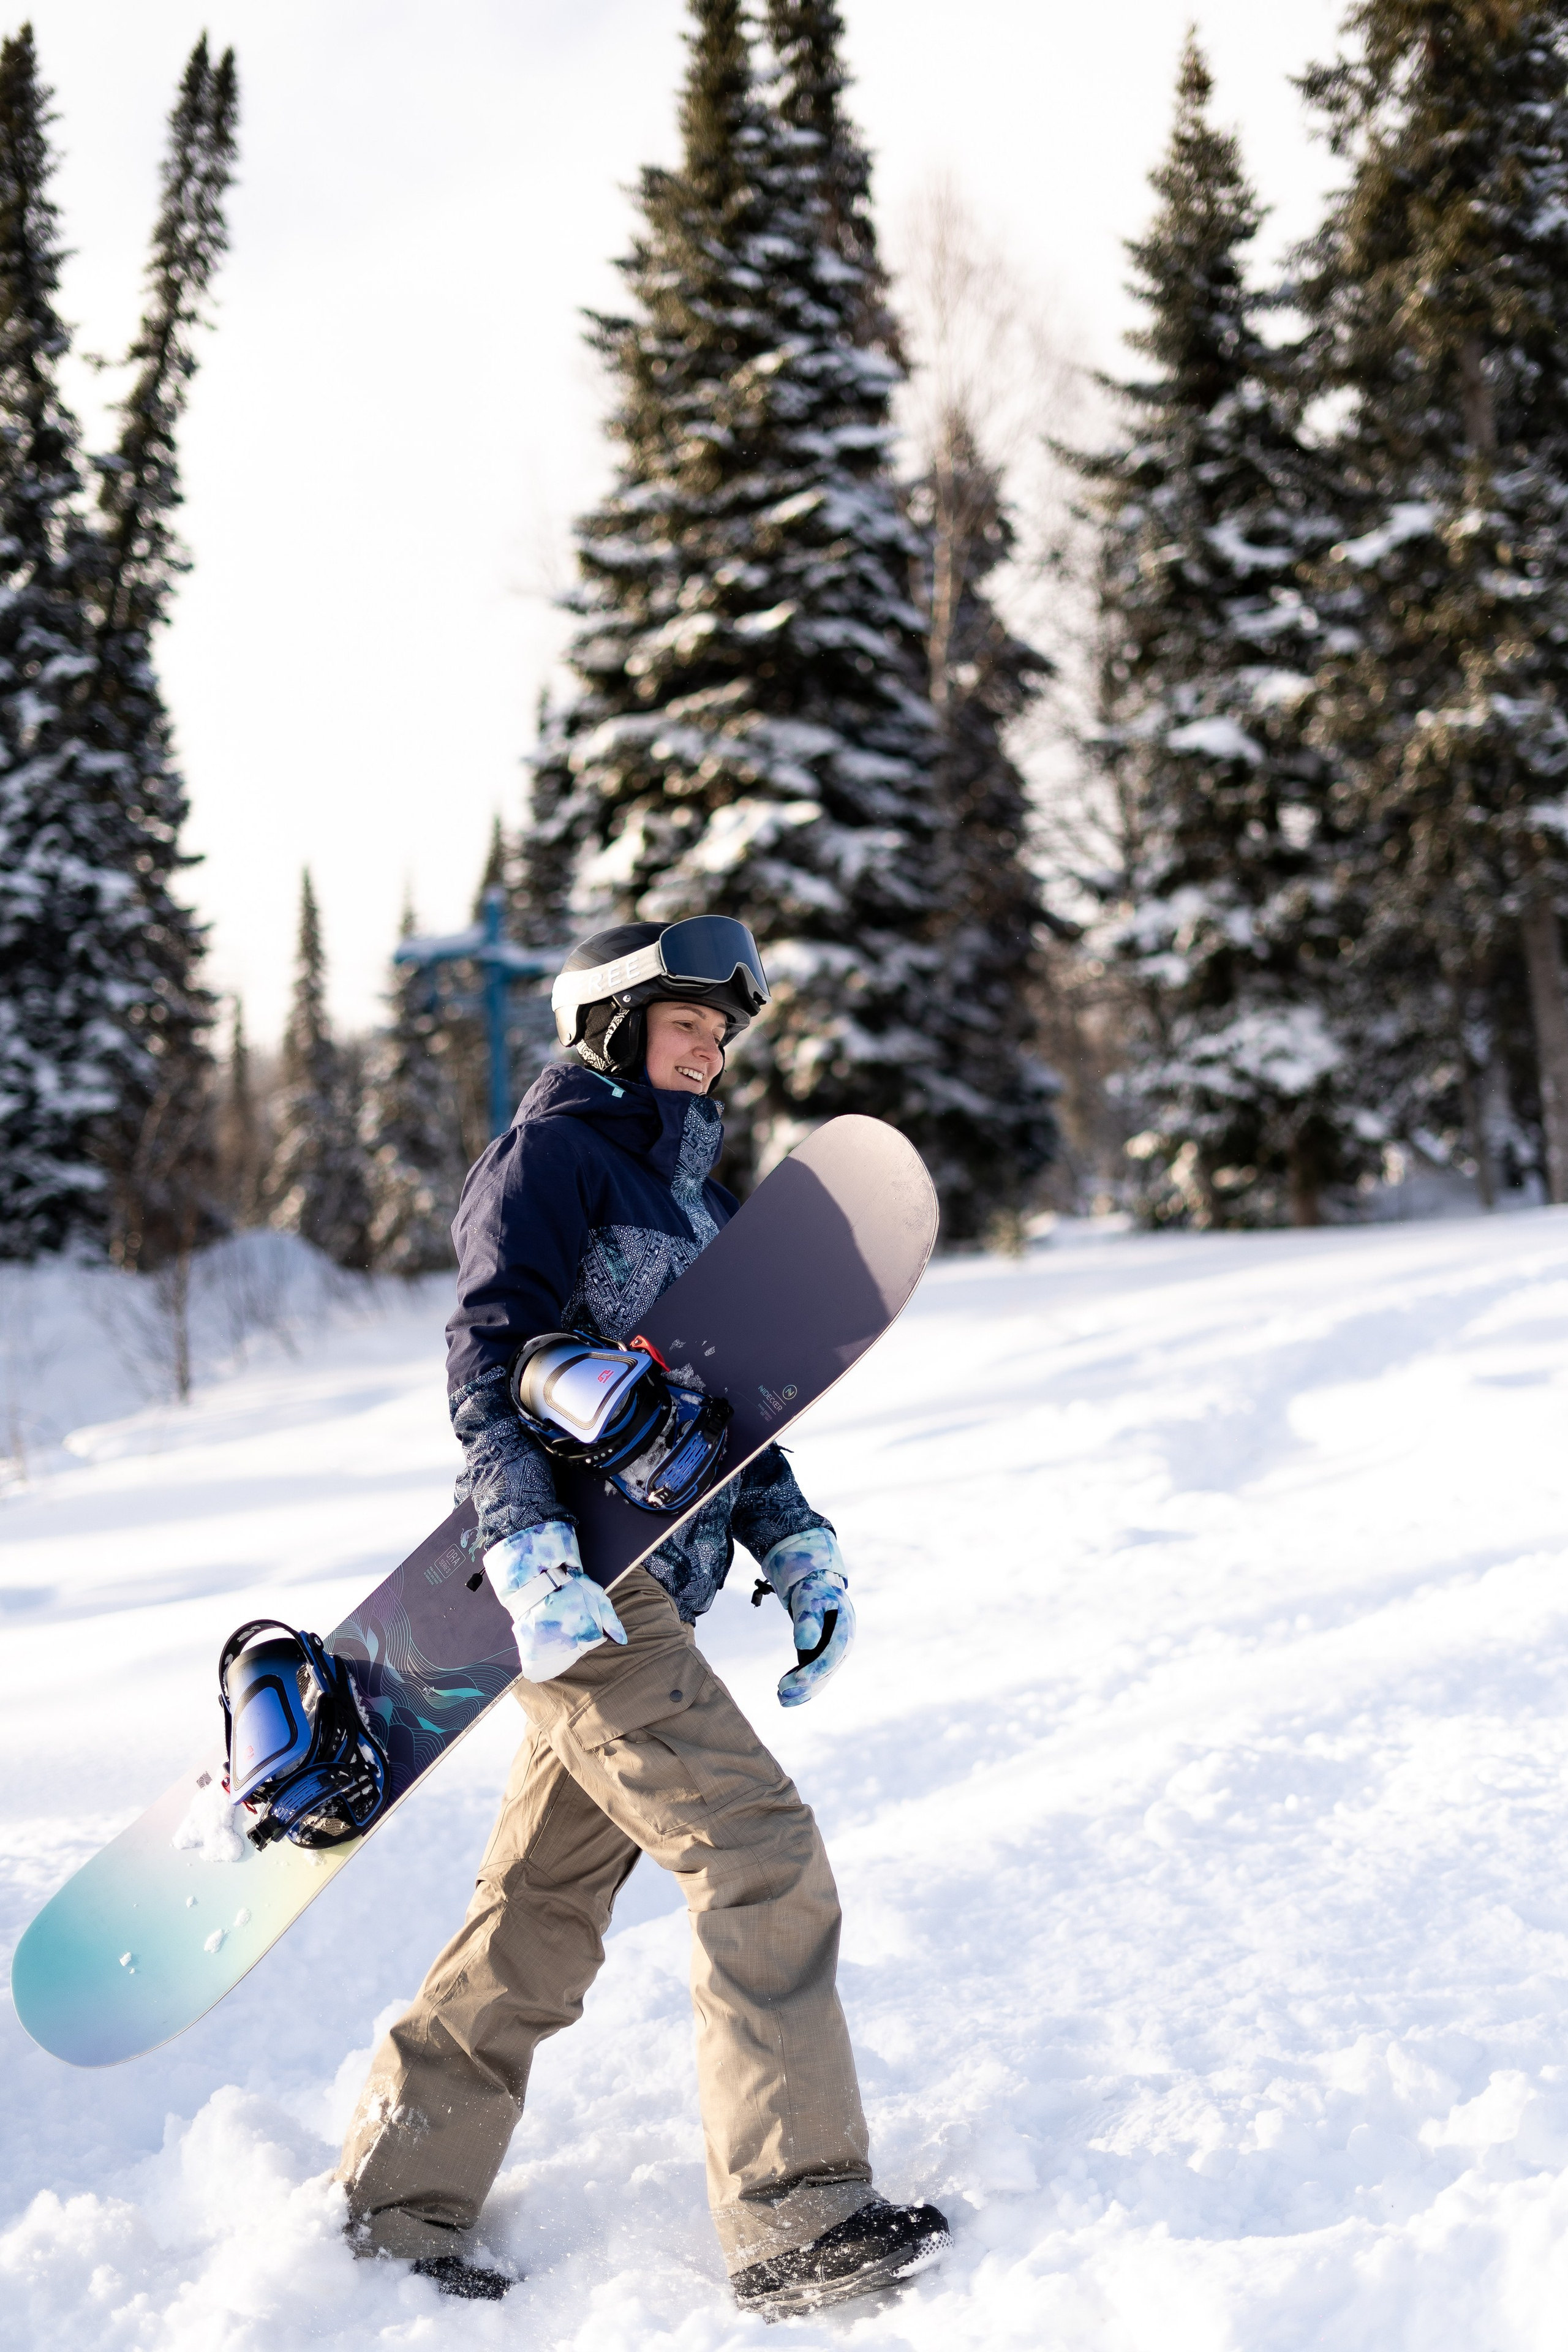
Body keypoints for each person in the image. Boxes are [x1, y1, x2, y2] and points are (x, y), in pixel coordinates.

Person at [335, 917, 949, 2317]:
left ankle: (394, 2208)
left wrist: (794, 1544)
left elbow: (735, 1412)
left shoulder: (696, 1203)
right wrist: (522, 1534)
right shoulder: (550, 1161)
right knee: (759, 1854)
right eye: (686, 1018)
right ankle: (796, 2218)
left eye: (724, 1029)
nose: (711, 1043)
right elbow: (489, 1354)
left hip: (647, 1586)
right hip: (578, 1594)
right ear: (610, 1023)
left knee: (536, 1920)